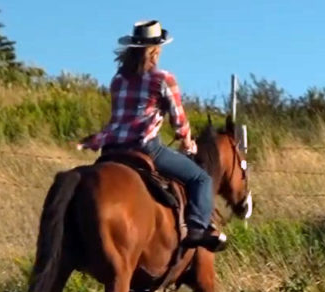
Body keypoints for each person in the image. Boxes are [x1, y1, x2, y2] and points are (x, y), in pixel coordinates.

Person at [76, 20, 226, 251]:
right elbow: (179, 120)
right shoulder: (163, 79)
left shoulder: (118, 80)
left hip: (112, 149)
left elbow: (117, 120)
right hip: (145, 147)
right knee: (201, 179)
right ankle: (197, 228)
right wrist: (187, 141)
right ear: (156, 50)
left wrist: (95, 140)